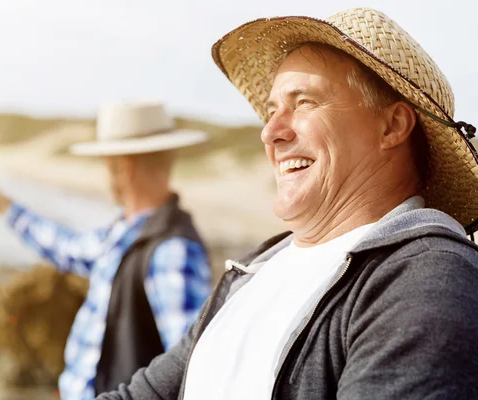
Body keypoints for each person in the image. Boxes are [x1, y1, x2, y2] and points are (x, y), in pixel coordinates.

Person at [96, 7, 478, 400]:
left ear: (392, 126)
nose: (270, 132)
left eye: (305, 102)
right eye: (273, 109)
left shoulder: (425, 277)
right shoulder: (257, 269)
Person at [0, 102, 212, 399]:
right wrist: (4, 207)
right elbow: (68, 248)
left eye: (107, 165)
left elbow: (196, 369)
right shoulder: (125, 232)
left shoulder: (172, 251)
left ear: (124, 168)